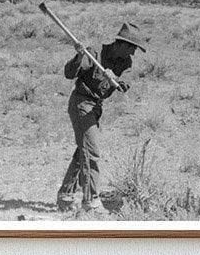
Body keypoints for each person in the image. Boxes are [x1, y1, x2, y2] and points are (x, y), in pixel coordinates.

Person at [57, 22, 146, 212]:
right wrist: (80, 56)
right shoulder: (94, 52)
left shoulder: (126, 62)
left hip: (96, 107)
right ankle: (91, 202)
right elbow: (69, 74)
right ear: (122, 44)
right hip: (81, 103)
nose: (133, 53)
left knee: (84, 151)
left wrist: (113, 78)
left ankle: (65, 196)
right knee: (92, 152)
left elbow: (124, 86)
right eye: (132, 48)